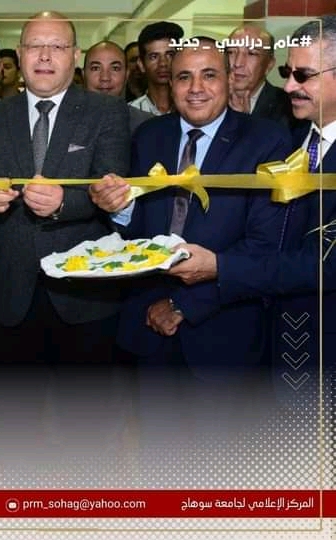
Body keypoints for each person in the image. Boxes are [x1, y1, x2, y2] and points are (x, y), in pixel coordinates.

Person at [90, 37, 291, 381]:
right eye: (184, 77)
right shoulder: (149, 136)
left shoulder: (267, 141)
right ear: (171, 83)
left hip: (224, 333)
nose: (196, 88)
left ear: (229, 79)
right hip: (148, 327)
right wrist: (120, 208)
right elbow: (139, 230)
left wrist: (184, 305)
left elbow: (266, 245)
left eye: (209, 75)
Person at [168, 17, 336, 394]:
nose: (288, 86)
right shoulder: (294, 138)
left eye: (304, 75)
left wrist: (220, 266)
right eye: (288, 73)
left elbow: (324, 264)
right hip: (275, 347)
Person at [0, 11, 130, 364]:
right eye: (35, 46)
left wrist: (65, 202)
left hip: (83, 294)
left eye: (57, 47)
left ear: (76, 55)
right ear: (20, 54)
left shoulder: (106, 112)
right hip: (9, 294)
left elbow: (111, 190)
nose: (45, 56)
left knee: (83, 399)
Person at [226, 24, 295, 128]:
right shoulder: (208, 98)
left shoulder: (289, 107)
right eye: (231, 52)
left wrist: (245, 124)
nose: (238, 63)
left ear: (269, 64)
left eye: (251, 53)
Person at [83, 40, 152, 133]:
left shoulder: (146, 124)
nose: (105, 78)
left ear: (126, 75)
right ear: (83, 74)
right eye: (95, 68)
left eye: (115, 68)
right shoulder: (65, 122)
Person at [129, 22, 184, 116]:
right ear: (141, 64)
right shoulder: (129, 112)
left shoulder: (192, 109)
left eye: (170, 55)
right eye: (154, 57)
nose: (163, 63)